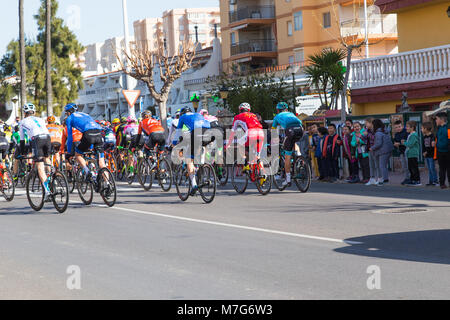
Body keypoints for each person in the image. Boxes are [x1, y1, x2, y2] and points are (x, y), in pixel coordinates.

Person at [172, 106, 212, 196]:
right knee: (201, 145)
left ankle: (194, 185)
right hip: (209, 131)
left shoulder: (182, 117)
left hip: (196, 133)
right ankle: (202, 165)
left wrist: (174, 144)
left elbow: (178, 132)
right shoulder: (198, 114)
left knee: (188, 159)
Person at [64, 103, 105, 183]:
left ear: (69, 112)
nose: (67, 114)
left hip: (88, 134)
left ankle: (88, 172)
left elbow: (70, 137)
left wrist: (69, 151)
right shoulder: (86, 114)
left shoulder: (70, 118)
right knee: (101, 162)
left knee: (78, 154)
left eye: (67, 112)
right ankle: (108, 183)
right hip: (98, 133)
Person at [19, 103, 53, 199]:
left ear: (25, 112)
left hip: (37, 139)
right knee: (47, 158)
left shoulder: (22, 122)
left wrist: (22, 153)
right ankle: (52, 176)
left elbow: (22, 140)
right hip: (47, 137)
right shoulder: (40, 119)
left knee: (40, 165)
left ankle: (47, 191)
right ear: (33, 112)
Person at [271, 102, 303, 186]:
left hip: (290, 130)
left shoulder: (277, 116)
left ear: (278, 110)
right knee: (294, 141)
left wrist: (273, 139)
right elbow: (300, 122)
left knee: (287, 155)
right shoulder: (291, 114)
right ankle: (299, 155)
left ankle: (288, 179)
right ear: (286, 109)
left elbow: (273, 130)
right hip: (300, 129)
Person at [225, 102, 264, 167]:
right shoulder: (253, 115)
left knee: (240, 144)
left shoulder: (237, 117)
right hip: (261, 132)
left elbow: (232, 132)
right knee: (258, 157)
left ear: (240, 110)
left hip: (251, 133)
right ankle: (263, 173)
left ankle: (246, 162)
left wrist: (228, 144)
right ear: (249, 110)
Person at [370, 119, 393, 186]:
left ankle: (385, 180)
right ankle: (385, 179)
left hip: (383, 151)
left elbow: (378, 143)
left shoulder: (378, 133)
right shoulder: (384, 130)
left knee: (382, 166)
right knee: (383, 166)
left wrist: (372, 148)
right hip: (388, 150)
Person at [401, 120, 421, 186]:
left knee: (414, 167)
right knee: (410, 167)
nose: (406, 128)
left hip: (413, 154)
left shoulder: (414, 135)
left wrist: (404, 143)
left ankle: (417, 180)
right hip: (410, 154)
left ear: (412, 128)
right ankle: (412, 179)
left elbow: (410, 144)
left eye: (407, 126)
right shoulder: (410, 135)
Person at [435, 112, 450, 189]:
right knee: (442, 169)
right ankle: (442, 184)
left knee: (449, 168)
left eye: (436, 119)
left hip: (448, 152)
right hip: (440, 152)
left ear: (441, 119)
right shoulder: (438, 128)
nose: (435, 121)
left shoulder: (448, 128)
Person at [421, 122, 438, 186]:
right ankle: (431, 181)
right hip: (426, 155)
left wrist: (426, 152)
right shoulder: (424, 136)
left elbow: (432, 147)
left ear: (426, 128)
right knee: (429, 168)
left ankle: (435, 181)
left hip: (431, 155)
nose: (421, 130)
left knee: (432, 168)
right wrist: (423, 152)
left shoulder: (432, 136)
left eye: (422, 128)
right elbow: (423, 145)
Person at [393, 120, 410, 184]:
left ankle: (411, 178)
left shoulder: (406, 132)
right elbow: (395, 142)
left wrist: (399, 143)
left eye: (399, 126)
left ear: (402, 126)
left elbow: (407, 142)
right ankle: (406, 178)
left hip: (407, 151)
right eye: (396, 127)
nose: (398, 128)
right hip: (401, 152)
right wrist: (395, 144)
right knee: (404, 166)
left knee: (409, 166)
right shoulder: (396, 134)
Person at [364, 118, 378, 186]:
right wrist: (363, 136)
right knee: (371, 165)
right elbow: (364, 139)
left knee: (377, 165)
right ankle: (372, 179)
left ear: (371, 123)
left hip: (375, 149)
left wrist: (367, 134)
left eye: (366, 123)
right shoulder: (367, 130)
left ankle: (378, 179)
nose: (365, 124)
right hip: (369, 149)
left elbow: (374, 138)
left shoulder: (375, 130)